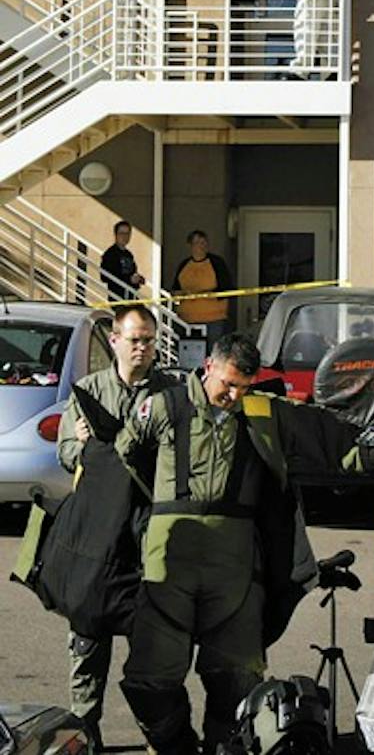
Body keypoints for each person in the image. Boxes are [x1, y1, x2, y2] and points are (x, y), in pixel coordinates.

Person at [116, 334, 357, 755]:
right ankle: (177, 748)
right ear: (209, 366)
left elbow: (328, 439)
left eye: (243, 387)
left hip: (236, 569)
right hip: (166, 562)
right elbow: (124, 456)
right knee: (150, 678)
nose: (233, 395)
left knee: (237, 679)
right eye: (227, 383)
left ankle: (222, 749)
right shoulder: (164, 407)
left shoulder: (262, 412)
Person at [55, 304, 176, 752]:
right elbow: (65, 451)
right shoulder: (89, 391)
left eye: (149, 340)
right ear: (114, 341)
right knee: (87, 639)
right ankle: (86, 732)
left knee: (154, 644)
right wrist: (83, 446)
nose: (143, 348)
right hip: (97, 535)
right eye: (135, 339)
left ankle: (157, 734)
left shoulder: (170, 393)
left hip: (149, 535)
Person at [170, 229, 233, 348]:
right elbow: (175, 290)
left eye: (204, 242)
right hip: (187, 319)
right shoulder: (184, 265)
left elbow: (227, 288)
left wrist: (205, 294)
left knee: (214, 352)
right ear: (190, 246)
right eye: (197, 243)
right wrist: (183, 294)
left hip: (213, 319)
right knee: (188, 354)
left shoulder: (216, 263)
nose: (201, 246)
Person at [99, 220, 146, 302]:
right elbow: (105, 277)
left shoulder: (129, 254)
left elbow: (132, 272)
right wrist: (129, 279)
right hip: (117, 297)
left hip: (131, 296)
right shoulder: (110, 254)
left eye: (127, 234)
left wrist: (139, 279)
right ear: (116, 235)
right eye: (122, 233)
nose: (125, 237)